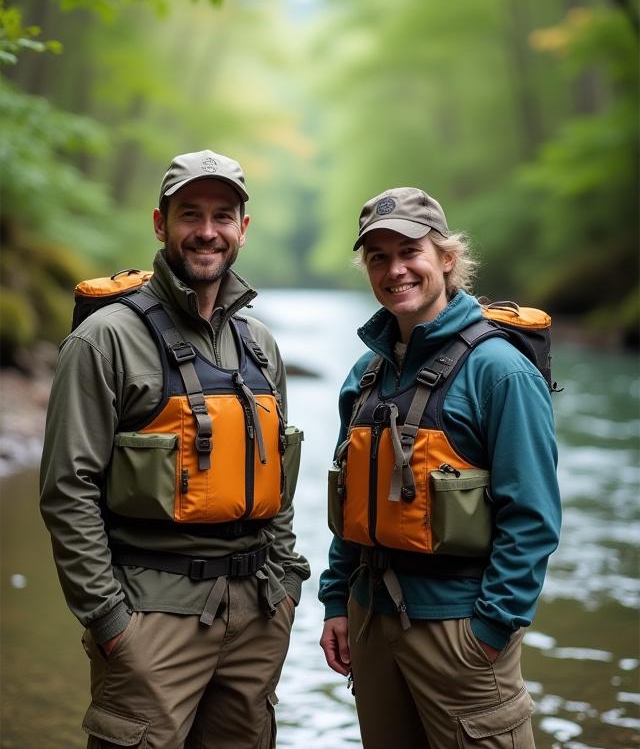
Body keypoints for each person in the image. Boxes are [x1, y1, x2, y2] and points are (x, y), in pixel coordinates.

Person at [40, 149, 310, 749]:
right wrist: (110, 620)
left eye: (222, 216)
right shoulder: (104, 340)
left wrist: (286, 584)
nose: (207, 231)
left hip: (257, 616)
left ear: (243, 228)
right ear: (160, 224)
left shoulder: (260, 345)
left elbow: (278, 481)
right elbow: (67, 490)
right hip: (149, 616)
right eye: (190, 214)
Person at [318, 186, 561, 748]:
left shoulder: (501, 371)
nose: (395, 270)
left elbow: (533, 518)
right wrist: (336, 603)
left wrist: (491, 629)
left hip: (461, 629)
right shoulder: (366, 374)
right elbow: (351, 501)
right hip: (370, 618)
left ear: (447, 259)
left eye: (410, 252)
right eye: (378, 257)